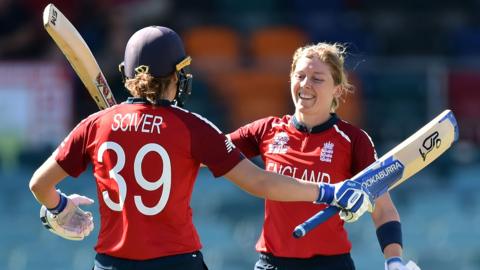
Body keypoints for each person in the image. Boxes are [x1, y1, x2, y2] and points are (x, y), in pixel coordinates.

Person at [29, 26, 373, 270]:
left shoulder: (95, 124)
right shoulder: (192, 127)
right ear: (176, 76)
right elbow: (261, 183)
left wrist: (59, 208)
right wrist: (329, 192)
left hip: (109, 263)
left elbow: (39, 185)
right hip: (177, 262)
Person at [228, 42, 421, 270]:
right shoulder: (266, 130)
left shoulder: (353, 140)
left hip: (331, 265)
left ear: (337, 89)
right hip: (272, 263)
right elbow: (210, 152)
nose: (305, 85)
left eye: (317, 79)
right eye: (300, 76)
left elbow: (383, 208)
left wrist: (394, 260)